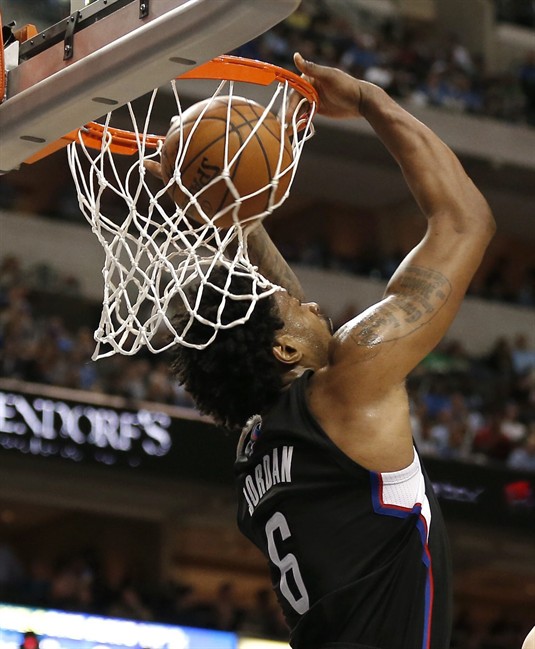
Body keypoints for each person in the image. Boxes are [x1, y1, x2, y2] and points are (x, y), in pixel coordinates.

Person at [168, 52, 495, 649]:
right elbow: (463, 221)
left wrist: (235, 213)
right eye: (297, 309)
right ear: (287, 349)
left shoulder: (258, 447)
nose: (314, 304)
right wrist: (370, 100)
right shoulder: (350, 382)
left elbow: (277, 322)